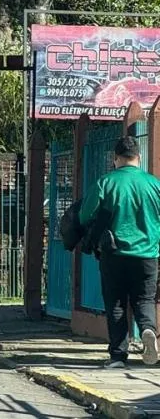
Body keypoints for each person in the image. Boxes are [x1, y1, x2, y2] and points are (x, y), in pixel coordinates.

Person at [79, 136, 160, 370]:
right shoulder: (154, 184)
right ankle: (147, 329)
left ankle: (118, 356)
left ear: (115, 159)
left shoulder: (106, 182)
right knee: (144, 299)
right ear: (139, 158)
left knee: (116, 303)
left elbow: (85, 216)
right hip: (148, 254)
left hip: (114, 254)